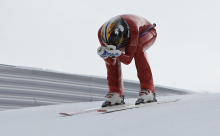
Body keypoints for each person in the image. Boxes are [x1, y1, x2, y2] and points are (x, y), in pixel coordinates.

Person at [97, 14, 157, 107]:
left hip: (145, 32)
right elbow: (110, 60)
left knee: (138, 50)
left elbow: (128, 59)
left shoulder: (133, 28)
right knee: (110, 58)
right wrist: (105, 57)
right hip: (123, 40)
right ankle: (115, 92)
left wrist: (118, 53)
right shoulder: (101, 33)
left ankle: (148, 89)